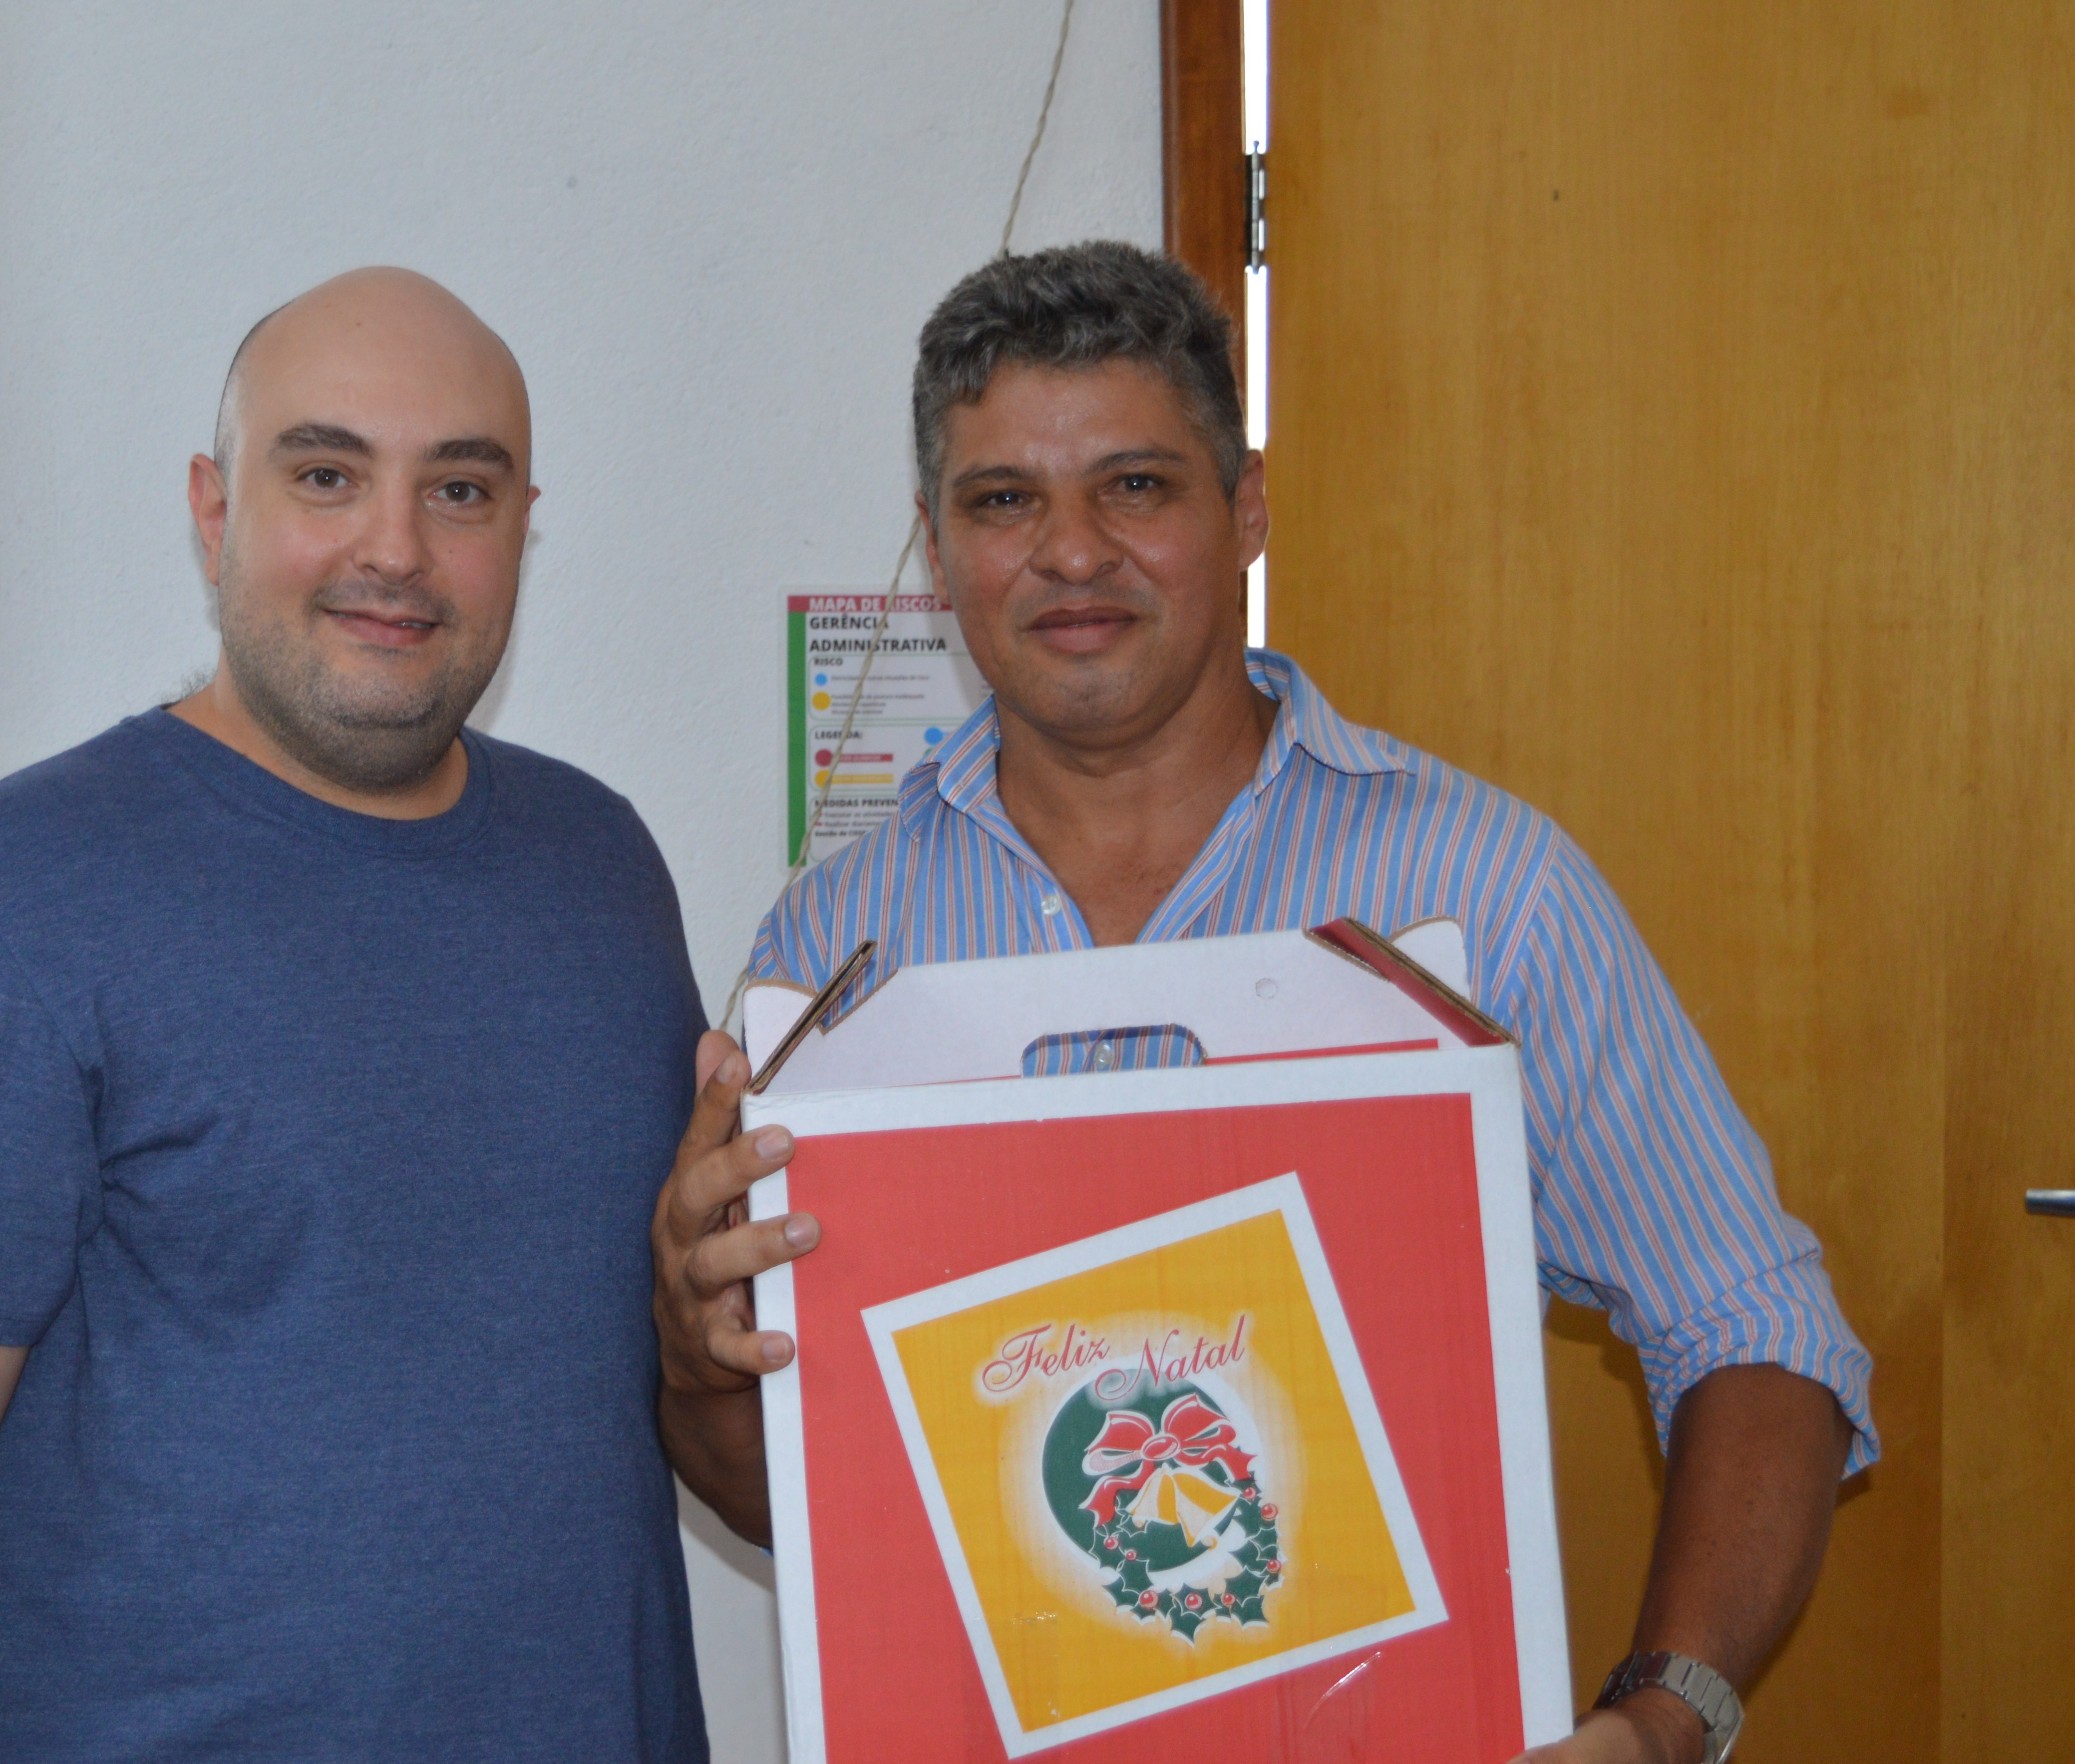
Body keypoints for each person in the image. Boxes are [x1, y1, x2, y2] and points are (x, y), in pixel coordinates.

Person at [652, 241, 1872, 1764]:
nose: (1070, 553)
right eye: (1003, 500)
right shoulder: (836, 953)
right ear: (936, 542)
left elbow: (1757, 1332)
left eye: (1135, 486)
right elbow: (809, 1497)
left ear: (1245, 509)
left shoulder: (1481, 892)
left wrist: (1662, 1723)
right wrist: (696, 1353)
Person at [0, 268, 708, 1763]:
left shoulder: (601, 866)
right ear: (214, 514)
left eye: (459, 490)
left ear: (522, 528)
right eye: (326, 475)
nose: (395, 549)